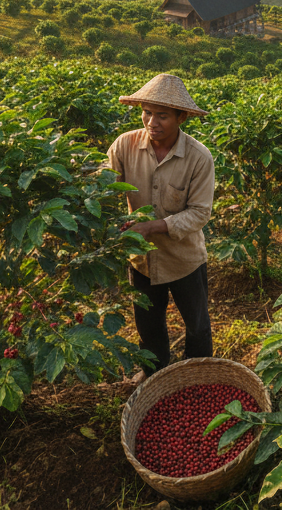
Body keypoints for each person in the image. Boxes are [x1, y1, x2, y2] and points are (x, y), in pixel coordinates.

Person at [108, 74, 215, 383]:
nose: (151, 121)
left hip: (184, 259)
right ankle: (154, 374)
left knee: (197, 324)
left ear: (182, 118)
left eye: (162, 115)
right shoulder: (124, 145)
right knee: (148, 322)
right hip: (142, 259)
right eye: (147, 112)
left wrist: (151, 227)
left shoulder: (198, 158)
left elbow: (199, 213)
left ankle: (198, 375)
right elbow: (104, 188)